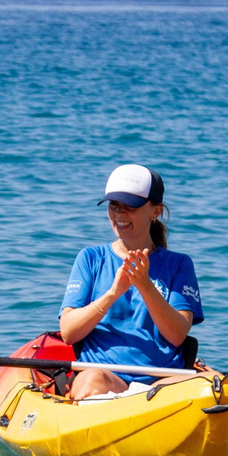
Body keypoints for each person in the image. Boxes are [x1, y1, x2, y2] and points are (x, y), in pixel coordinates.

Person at [58, 165, 204, 401]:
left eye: (130, 206)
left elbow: (177, 335)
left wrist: (145, 285)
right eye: (114, 205)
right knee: (91, 383)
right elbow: (69, 332)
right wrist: (113, 293)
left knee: (215, 386)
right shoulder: (90, 258)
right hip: (106, 376)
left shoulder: (179, 264)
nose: (119, 214)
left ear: (155, 211)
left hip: (163, 382)